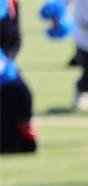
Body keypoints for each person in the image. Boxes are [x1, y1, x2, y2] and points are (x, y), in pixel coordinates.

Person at [1, 0, 38, 154]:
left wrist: (4, 61)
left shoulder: (12, 3)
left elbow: (15, 39)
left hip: (3, 66)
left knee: (22, 93)